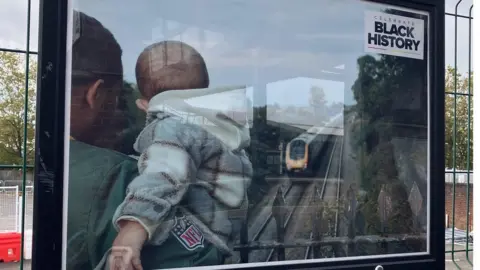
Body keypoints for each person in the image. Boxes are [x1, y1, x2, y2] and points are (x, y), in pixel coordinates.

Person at [102, 41, 253, 270]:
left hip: (190, 238)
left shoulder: (173, 127)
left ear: (144, 105)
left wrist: (133, 226)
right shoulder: (217, 126)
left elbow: (165, 173)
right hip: (215, 238)